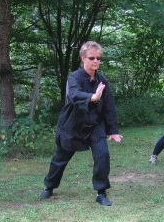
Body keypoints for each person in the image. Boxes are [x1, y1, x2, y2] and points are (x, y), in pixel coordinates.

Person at [40, 41, 123, 206]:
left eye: (98, 58)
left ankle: (101, 192)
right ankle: (49, 186)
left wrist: (113, 130)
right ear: (83, 58)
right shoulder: (74, 77)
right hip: (73, 125)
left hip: (95, 125)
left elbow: (109, 107)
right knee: (60, 159)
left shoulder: (102, 80)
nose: (96, 61)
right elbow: (74, 95)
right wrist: (92, 97)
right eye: (92, 58)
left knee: (102, 155)